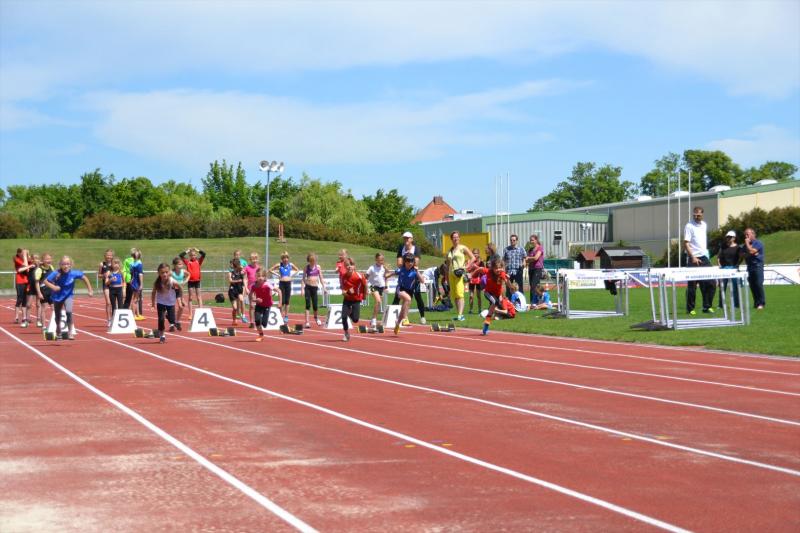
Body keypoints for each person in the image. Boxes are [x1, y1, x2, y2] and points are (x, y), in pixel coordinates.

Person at [43, 256, 93, 340]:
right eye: (63, 264)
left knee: (69, 312)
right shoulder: (56, 273)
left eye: (67, 264)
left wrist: (90, 290)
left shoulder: (74, 273)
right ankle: (58, 329)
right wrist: (54, 287)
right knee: (58, 315)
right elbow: (45, 281)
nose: (66, 266)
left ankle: (70, 332)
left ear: (70, 265)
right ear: (60, 265)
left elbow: (84, 277)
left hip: (68, 296)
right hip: (57, 297)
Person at [683, 206, 715, 315]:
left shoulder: (704, 225)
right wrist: (693, 257)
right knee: (692, 285)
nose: (696, 216)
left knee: (711, 283)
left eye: (698, 215)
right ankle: (690, 309)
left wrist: (706, 254)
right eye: (695, 214)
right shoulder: (689, 226)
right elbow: (686, 243)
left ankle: (707, 306)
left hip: (704, 257)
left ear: (702, 214)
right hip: (693, 258)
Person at [392, 231, 427, 325]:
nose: (406, 240)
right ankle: (394, 317)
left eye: (407, 238)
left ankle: (422, 317)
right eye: (404, 238)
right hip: (404, 276)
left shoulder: (416, 248)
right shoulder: (401, 248)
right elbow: (399, 264)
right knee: (397, 297)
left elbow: (416, 263)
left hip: (413, 276)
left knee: (418, 296)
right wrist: (408, 260)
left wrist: (407, 260)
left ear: (411, 239)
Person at [386, 253, 423, 335]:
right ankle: (405, 319)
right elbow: (392, 274)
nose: (410, 263)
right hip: (400, 289)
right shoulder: (401, 270)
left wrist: (417, 272)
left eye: (411, 262)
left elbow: (422, 281)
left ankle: (397, 323)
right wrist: (385, 275)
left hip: (410, 291)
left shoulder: (414, 271)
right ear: (404, 262)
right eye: (408, 262)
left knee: (404, 309)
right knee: (408, 299)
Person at [446, 231, 475, 322]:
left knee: (459, 293)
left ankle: (460, 315)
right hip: (451, 273)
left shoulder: (462, 247)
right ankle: (459, 314)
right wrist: (446, 276)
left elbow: (473, 258)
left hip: (459, 273)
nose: (455, 239)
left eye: (457, 237)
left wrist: (466, 266)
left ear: (459, 238)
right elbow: (447, 264)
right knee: (454, 295)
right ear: (451, 239)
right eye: (454, 237)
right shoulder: (450, 250)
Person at [150, 263, 180, 344]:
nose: (164, 274)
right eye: (162, 273)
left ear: (169, 272)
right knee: (161, 319)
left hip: (170, 302)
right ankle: (162, 336)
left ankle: (169, 317)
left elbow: (180, 288)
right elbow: (153, 293)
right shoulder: (157, 283)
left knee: (172, 321)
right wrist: (153, 304)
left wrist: (181, 299)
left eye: (166, 272)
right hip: (161, 302)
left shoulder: (172, 281)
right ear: (159, 273)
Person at [339, 258, 367, 341]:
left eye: (351, 265)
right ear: (345, 267)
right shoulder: (343, 277)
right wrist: (346, 292)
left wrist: (364, 295)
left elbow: (365, 285)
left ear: (354, 266)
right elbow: (343, 290)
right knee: (343, 316)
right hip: (347, 299)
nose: (349, 267)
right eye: (347, 265)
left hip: (356, 299)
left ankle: (350, 312)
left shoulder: (359, 276)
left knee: (355, 320)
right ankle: (346, 333)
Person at [251, 267, 280, 342]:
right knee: (257, 320)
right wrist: (254, 300)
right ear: (256, 276)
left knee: (264, 324)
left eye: (262, 276)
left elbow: (279, 291)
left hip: (267, 305)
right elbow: (250, 295)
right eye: (258, 276)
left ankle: (262, 323)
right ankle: (260, 335)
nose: (260, 278)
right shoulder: (254, 286)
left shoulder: (267, 284)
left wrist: (280, 302)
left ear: (265, 277)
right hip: (259, 305)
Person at [270, 252, 299, 325]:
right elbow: (270, 270)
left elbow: (297, 270)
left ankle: (286, 316)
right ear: (282, 259)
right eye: (284, 258)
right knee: (282, 301)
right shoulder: (279, 265)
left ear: (288, 258)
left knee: (287, 301)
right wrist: (277, 275)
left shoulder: (290, 265)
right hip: (282, 283)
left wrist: (292, 276)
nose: (285, 259)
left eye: (286, 258)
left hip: (288, 283)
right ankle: (280, 315)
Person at [481, 258, 508, 335]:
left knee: (491, 310)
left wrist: (508, 282)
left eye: (500, 268)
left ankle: (486, 326)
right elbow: (480, 269)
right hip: (488, 293)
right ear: (492, 268)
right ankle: (486, 325)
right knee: (496, 303)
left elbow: (505, 284)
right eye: (496, 268)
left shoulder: (502, 274)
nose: (498, 269)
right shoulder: (488, 271)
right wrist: (472, 275)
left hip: (496, 295)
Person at [717, 230, 741, 309]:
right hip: (724, 268)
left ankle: (736, 304)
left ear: (734, 238)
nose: (728, 238)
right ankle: (721, 305)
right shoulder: (723, 247)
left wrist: (737, 266)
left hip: (733, 268)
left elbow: (741, 258)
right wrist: (719, 265)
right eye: (727, 237)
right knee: (722, 287)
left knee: (735, 287)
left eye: (730, 237)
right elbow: (718, 257)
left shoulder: (738, 247)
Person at [179, 247, 206, 318]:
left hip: (197, 281)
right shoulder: (188, 262)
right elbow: (181, 255)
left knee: (199, 297)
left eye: (194, 255)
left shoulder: (198, 261)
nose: (193, 256)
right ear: (189, 256)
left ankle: (201, 312)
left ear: (196, 255)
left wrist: (197, 250)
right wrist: (188, 251)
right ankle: (190, 314)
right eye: (191, 255)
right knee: (190, 297)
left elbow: (204, 254)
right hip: (190, 281)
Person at [743, 227, 765, 309]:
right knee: (752, 285)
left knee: (758, 284)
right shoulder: (745, 245)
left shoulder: (758, 243)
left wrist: (747, 245)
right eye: (745, 235)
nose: (746, 236)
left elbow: (751, 251)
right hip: (750, 266)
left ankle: (761, 303)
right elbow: (743, 254)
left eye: (747, 234)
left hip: (757, 265)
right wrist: (750, 252)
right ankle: (756, 302)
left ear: (753, 234)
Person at [302, 253, 326, 328]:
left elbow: (321, 277)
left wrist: (324, 287)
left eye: (314, 261)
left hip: (315, 287)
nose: (313, 262)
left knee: (315, 305)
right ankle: (307, 322)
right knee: (308, 304)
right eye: (311, 261)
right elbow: (303, 278)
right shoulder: (306, 267)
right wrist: (302, 289)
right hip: (308, 287)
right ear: (309, 261)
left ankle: (316, 317)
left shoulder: (318, 267)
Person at [365, 253, 387, 328]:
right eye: (380, 260)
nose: (381, 261)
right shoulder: (371, 268)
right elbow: (365, 278)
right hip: (372, 286)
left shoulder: (384, 268)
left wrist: (386, 286)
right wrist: (366, 288)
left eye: (382, 260)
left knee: (378, 303)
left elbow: (385, 277)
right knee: (378, 300)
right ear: (376, 259)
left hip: (381, 287)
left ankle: (373, 318)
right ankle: (374, 319)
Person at [34, 253, 55, 328]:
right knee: (44, 308)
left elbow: (53, 278)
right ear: (43, 260)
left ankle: (54, 325)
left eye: (50, 259)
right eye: (46, 259)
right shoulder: (39, 270)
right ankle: (44, 326)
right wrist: (39, 293)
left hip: (51, 290)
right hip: (43, 290)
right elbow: (37, 282)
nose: (49, 260)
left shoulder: (51, 267)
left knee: (54, 308)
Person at [503, 234, 526, 298]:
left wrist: (524, 262)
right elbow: (504, 260)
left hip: (518, 270)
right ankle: (509, 301)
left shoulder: (521, 249)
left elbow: (524, 257)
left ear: (517, 241)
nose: (512, 241)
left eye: (514, 240)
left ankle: (520, 300)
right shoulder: (506, 249)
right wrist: (504, 269)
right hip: (509, 271)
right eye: (511, 240)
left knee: (520, 287)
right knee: (509, 287)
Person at [13, 248, 32, 327]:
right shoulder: (16, 258)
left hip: (26, 281)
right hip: (20, 281)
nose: (24, 255)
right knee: (19, 298)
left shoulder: (27, 259)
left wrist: (28, 255)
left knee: (25, 300)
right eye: (23, 253)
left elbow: (31, 263)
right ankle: (16, 317)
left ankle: (24, 317)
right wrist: (24, 256)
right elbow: (24, 266)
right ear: (19, 253)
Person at [105, 258, 126, 325]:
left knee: (120, 305)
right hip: (112, 290)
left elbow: (124, 282)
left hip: (119, 289)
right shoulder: (109, 273)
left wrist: (124, 290)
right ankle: (113, 320)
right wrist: (110, 280)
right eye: (115, 263)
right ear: (112, 264)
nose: (116, 265)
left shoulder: (121, 272)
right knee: (113, 306)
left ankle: (121, 321)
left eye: (117, 263)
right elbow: (106, 283)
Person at [525, 234, 545, 302]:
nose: (531, 241)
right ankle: (536, 301)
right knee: (532, 286)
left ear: (536, 240)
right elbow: (527, 260)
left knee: (534, 286)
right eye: (530, 240)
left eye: (532, 240)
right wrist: (530, 259)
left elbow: (536, 258)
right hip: (531, 269)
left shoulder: (540, 248)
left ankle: (534, 302)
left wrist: (529, 258)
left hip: (537, 269)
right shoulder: (530, 249)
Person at [227, 259, 246, 326]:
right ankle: (234, 320)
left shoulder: (241, 272)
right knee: (235, 308)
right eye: (238, 265)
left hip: (239, 290)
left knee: (242, 299)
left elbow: (245, 276)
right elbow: (230, 281)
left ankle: (243, 315)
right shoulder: (230, 273)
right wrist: (237, 281)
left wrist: (245, 288)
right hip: (232, 291)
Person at [171, 257, 189, 330]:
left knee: (181, 307)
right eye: (179, 264)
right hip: (171, 291)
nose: (181, 265)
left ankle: (177, 321)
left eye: (182, 264)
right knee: (170, 308)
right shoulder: (171, 272)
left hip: (179, 291)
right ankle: (172, 323)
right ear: (175, 265)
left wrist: (185, 281)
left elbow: (189, 274)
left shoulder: (183, 271)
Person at [98, 248, 114, 326]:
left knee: (114, 303)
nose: (109, 257)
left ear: (112, 256)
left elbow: (119, 272)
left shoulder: (114, 263)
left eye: (110, 255)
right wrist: (104, 275)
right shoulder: (102, 264)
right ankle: (109, 320)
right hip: (106, 285)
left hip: (114, 285)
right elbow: (99, 275)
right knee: (108, 302)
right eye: (107, 255)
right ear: (105, 256)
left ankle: (115, 318)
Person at [244, 252, 260, 328]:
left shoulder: (259, 268)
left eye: (256, 259)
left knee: (258, 305)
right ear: (250, 260)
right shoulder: (247, 268)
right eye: (253, 259)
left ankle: (258, 320)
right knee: (252, 305)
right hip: (251, 288)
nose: (254, 261)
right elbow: (245, 279)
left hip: (259, 288)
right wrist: (246, 288)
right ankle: (252, 322)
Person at [128, 249, 145, 320]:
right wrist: (141, 284)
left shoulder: (132, 263)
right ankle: (133, 314)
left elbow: (131, 273)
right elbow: (140, 274)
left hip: (133, 281)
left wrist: (131, 280)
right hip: (137, 282)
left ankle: (137, 314)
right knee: (135, 299)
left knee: (136, 299)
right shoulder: (139, 263)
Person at [25, 253, 40, 329]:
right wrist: (30, 265)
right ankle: (27, 320)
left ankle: (38, 320)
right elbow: (25, 268)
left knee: (38, 304)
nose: (35, 260)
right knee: (28, 304)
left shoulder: (40, 267)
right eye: (34, 259)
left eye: (36, 258)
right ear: (31, 259)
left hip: (38, 286)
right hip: (31, 286)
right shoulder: (30, 266)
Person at [466, 249, 483, 314]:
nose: (475, 254)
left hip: (478, 280)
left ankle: (479, 310)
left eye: (476, 253)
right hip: (471, 280)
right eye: (474, 253)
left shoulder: (481, 262)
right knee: (471, 296)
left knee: (478, 296)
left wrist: (476, 267)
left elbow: (483, 270)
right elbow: (467, 269)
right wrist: (469, 269)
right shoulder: (470, 261)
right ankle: (470, 310)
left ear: (478, 254)